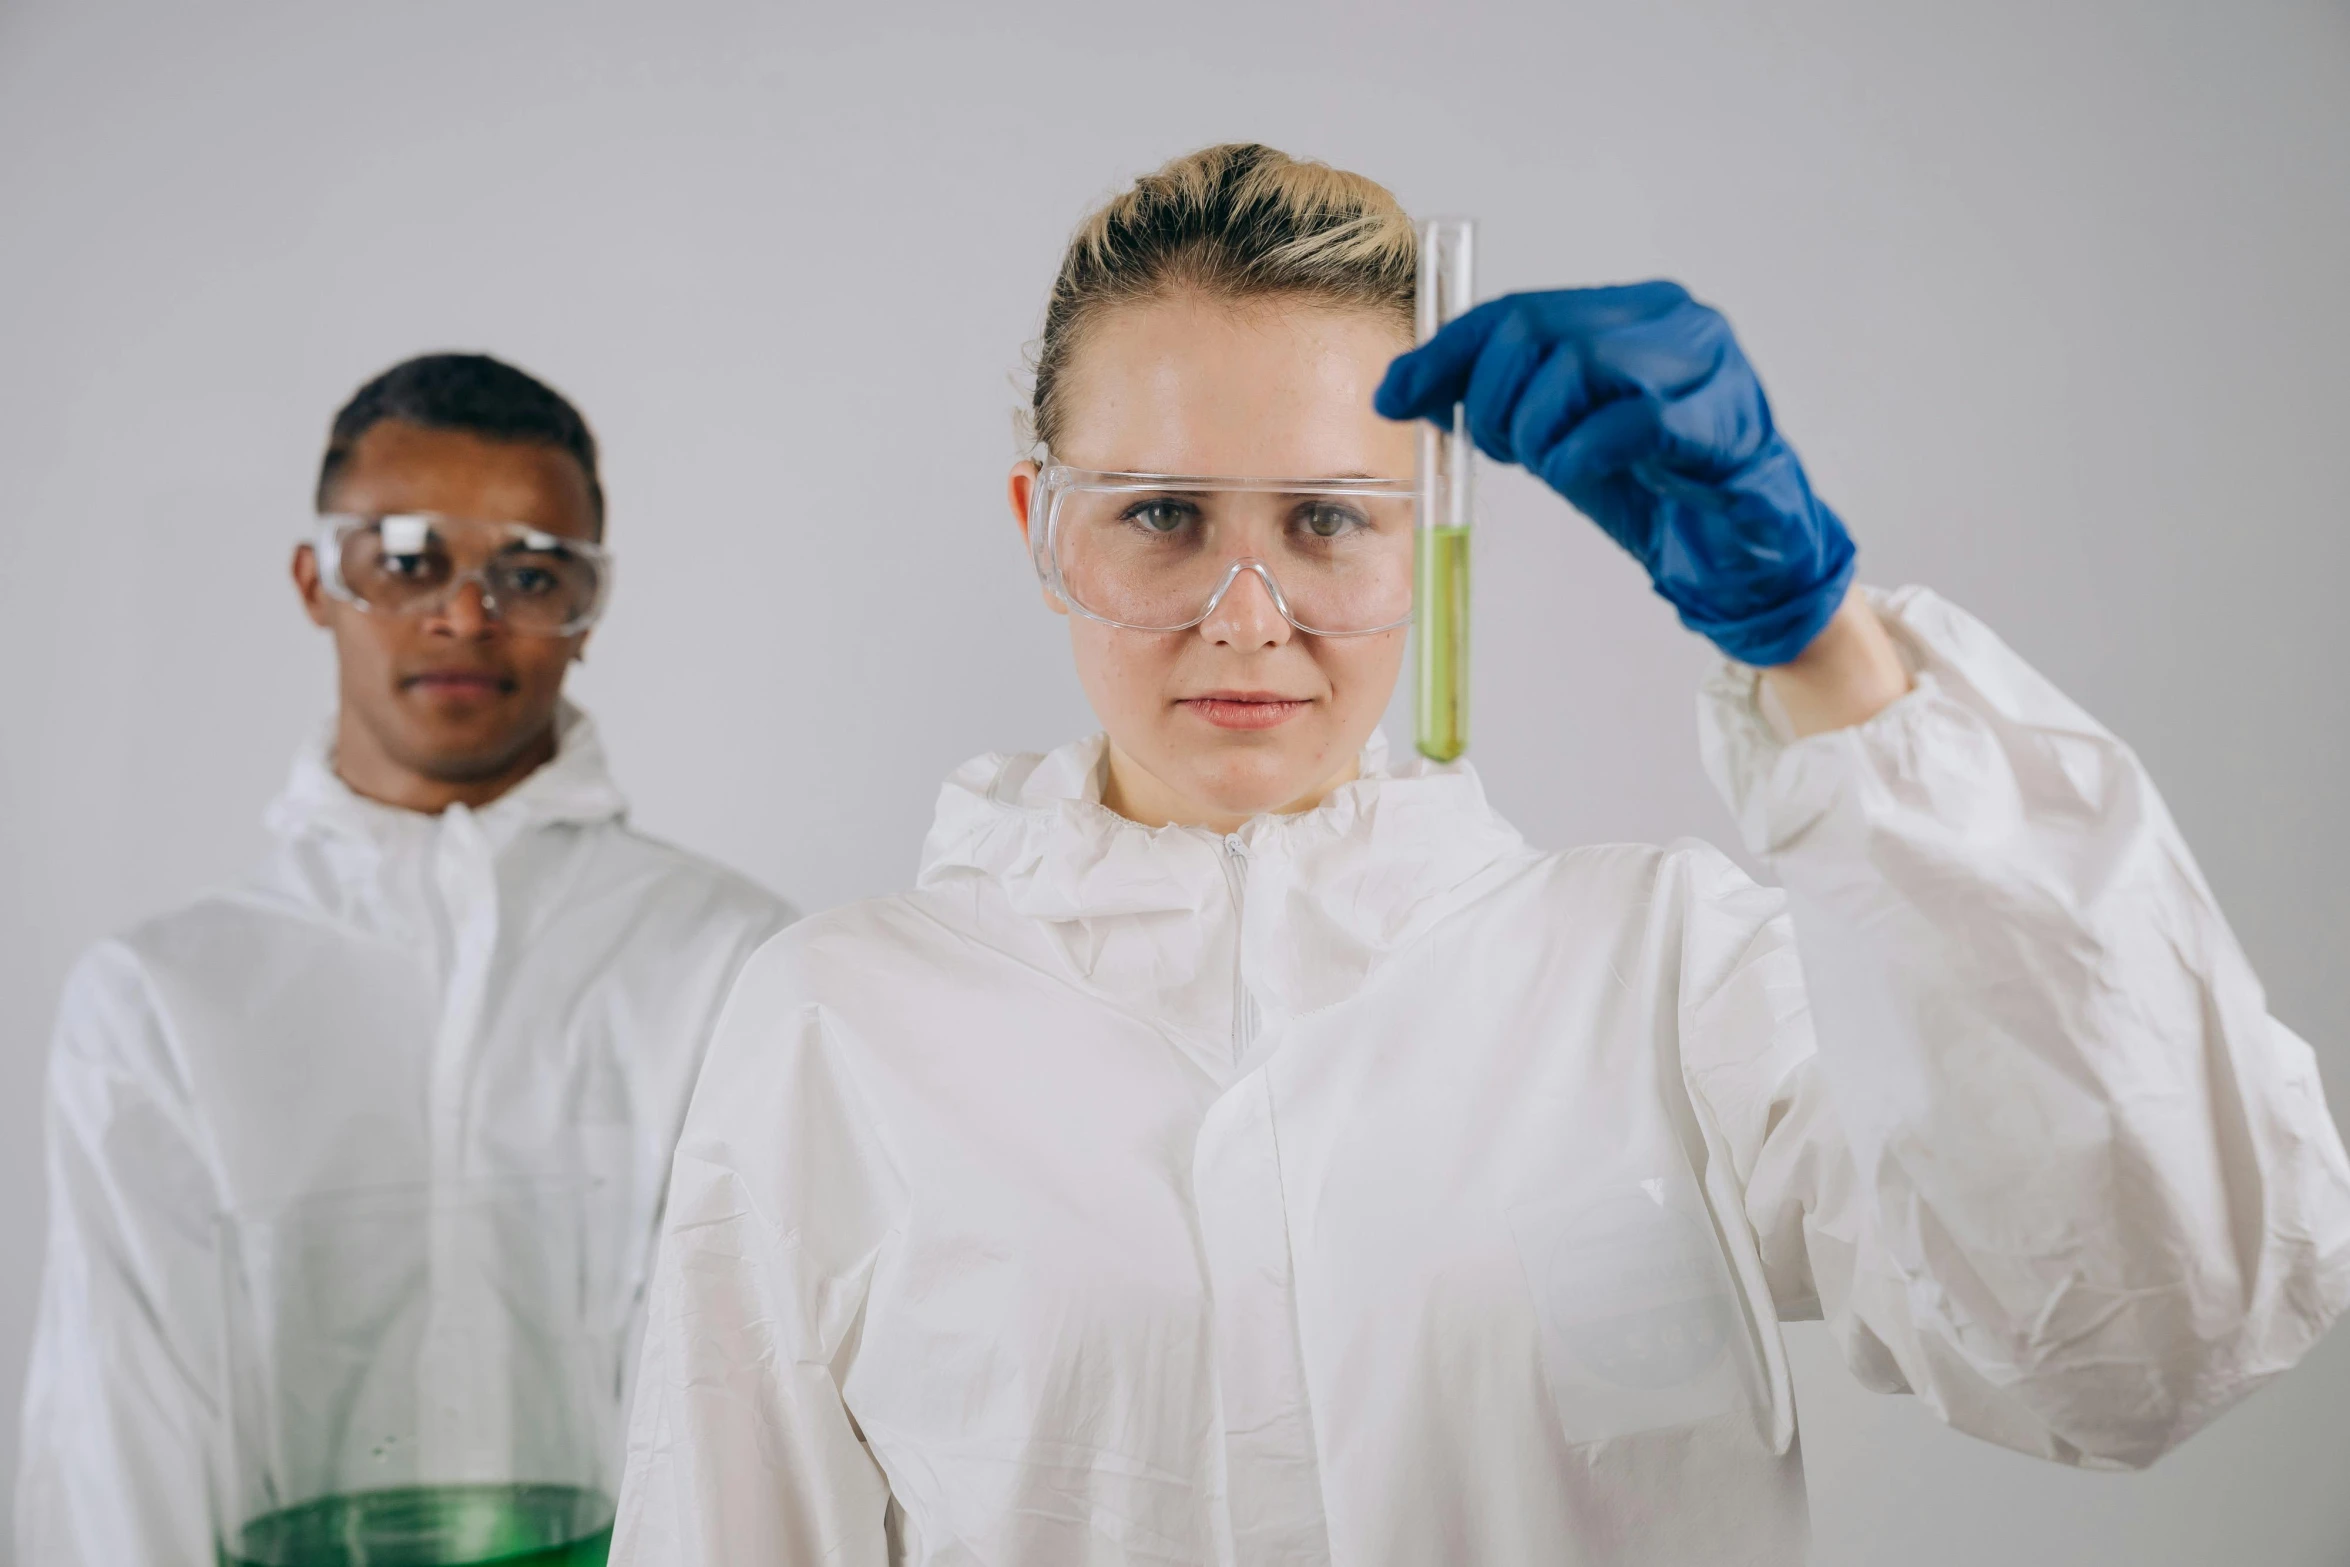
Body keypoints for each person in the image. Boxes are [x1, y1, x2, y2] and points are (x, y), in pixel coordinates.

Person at [611, 145, 2350, 1567]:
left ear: (1435, 533)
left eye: (1325, 521)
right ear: (1040, 529)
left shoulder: (1658, 973)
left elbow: (2147, 1338)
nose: (1249, 618)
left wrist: (1827, 650)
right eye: (1160, 517)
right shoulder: (841, 1024)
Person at [16, 354, 795, 1566]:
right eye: (410, 560)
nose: (466, 614)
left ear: (588, 610)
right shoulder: (163, 1004)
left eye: (531, 572)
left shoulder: (731, 958)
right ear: (315, 582)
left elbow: (761, 1425)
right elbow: (118, 1437)